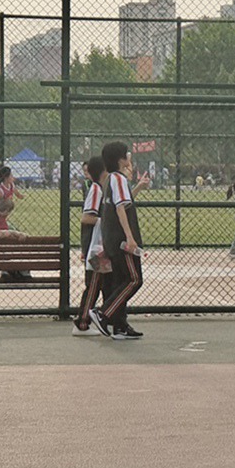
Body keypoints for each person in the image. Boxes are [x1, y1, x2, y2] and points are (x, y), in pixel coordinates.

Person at [90, 142, 145, 340]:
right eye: (126, 154)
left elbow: (119, 205)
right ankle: (104, 313)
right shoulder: (119, 179)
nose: (129, 157)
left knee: (121, 281)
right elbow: (121, 209)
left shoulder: (111, 180)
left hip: (112, 238)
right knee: (134, 279)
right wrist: (130, 237)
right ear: (121, 159)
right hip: (121, 240)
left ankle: (120, 325)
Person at [73, 156, 109, 337]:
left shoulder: (104, 189)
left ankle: (107, 319)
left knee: (105, 284)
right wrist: (107, 222)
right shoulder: (96, 190)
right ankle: (82, 323)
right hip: (96, 246)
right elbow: (86, 218)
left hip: (102, 244)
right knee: (94, 284)